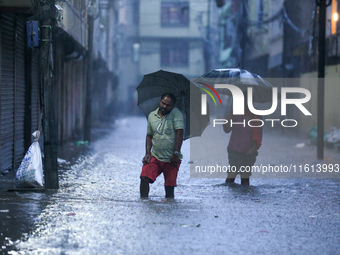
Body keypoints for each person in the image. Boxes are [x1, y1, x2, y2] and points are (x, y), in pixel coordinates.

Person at [140, 93, 184, 198]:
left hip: (171, 158)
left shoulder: (176, 114)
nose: (164, 106)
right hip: (155, 156)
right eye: (163, 103)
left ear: (173, 106)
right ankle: (143, 203)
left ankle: (169, 208)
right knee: (144, 177)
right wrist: (147, 153)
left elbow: (179, 133)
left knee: (169, 189)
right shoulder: (152, 116)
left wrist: (176, 153)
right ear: (160, 101)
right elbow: (149, 136)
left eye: (168, 105)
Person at [223, 98, 262, 185]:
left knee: (245, 176)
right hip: (235, 149)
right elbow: (227, 130)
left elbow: (259, 134)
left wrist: (253, 148)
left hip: (250, 151)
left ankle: (245, 196)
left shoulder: (257, 116)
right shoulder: (235, 114)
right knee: (232, 174)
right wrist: (227, 120)